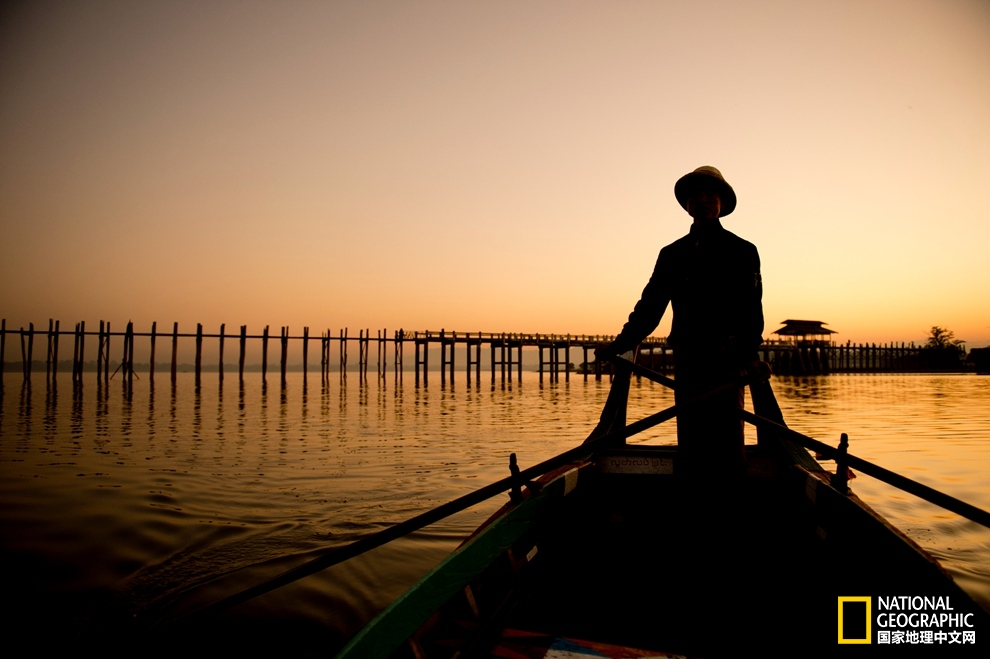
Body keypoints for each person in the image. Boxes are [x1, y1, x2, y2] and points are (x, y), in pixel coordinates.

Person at [597, 165, 763, 477]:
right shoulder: (673, 253)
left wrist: (750, 354)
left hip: (728, 360)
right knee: (692, 441)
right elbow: (650, 306)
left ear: (721, 204)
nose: (701, 199)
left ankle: (733, 507)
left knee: (728, 443)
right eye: (694, 195)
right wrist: (620, 345)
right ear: (686, 204)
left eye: (708, 194)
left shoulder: (742, 251)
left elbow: (750, 308)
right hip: (689, 358)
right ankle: (693, 503)